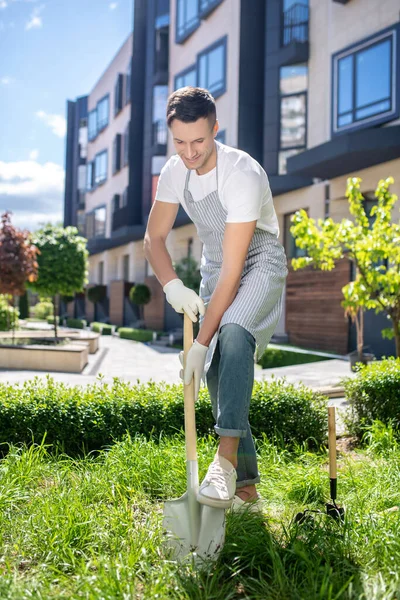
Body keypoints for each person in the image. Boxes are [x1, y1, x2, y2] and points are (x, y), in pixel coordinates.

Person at [144, 86, 288, 511]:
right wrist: (172, 284)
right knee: (219, 378)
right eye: (180, 142)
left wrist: (202, 342)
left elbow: (235, 269)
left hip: (258, 259)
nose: (189, 152)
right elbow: (153, 238)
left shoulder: (242, 172)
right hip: (214, 266)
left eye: (199, 141)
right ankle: (247, 490)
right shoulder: (175, 171)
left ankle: (223, 466)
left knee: (235, 335)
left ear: (215, 129)